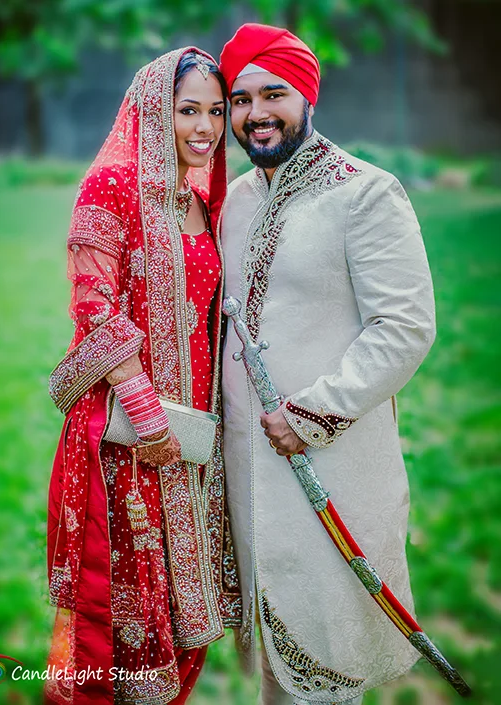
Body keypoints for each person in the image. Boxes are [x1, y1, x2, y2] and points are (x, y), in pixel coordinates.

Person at [219, 23, 436, 705]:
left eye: (272, 93)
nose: (256, 114)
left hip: (329, 467)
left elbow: (404, 328)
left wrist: (312, 413)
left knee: (327, 670)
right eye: (241, 98)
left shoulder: (365, 193)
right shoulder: (238, 198)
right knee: (275, 675)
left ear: (306, 94)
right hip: (249, 475)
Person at [44, 48, 241, 705]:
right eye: (190, 110)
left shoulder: (196, 196)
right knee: (125, 616)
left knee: (182, 616)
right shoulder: (112, 184)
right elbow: (94, 306)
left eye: (216, 111)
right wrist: (148, 416)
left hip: (186, 439)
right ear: (155, 109)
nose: (207, 127)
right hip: (127, 438)